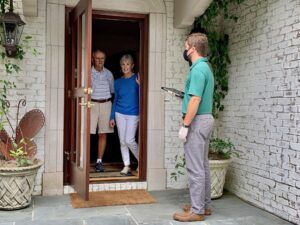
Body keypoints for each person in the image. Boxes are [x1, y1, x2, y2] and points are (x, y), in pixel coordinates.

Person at [173, 33, 215, 222]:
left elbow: (196, 99)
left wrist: (185, 125)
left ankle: (196, 212)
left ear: (193, 49)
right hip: (205, 119)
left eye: (186, 45)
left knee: (195, 168)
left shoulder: (198, 69)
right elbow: (195, 96)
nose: (184, 49)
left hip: (197, 121)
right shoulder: (205, 67)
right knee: (203, 166)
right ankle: (203, 206)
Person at [109, 54, 139, 176]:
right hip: (119, 113)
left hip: (133, 113)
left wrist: (140, 85)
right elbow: (115, 100)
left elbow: (142, 97)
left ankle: (141, 161)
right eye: (123, 64)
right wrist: (112, 116)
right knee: (122, 141)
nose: (125, 66)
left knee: (129, 140)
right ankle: (126, 165)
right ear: (120, 66)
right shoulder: (117, 82)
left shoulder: (137, 78)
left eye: (127, 64)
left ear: (132, 65)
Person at [90, 49, 114, 172]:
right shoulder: (88, 72)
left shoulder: (109, 74)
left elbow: (112, 90)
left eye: (102, 58)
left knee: (103, 133)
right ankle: (84, 160)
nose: (100, 61)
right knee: (87, 133)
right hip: (91, 104)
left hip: (106, 103)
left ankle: (99, 161)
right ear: (93, 58)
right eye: (97, 58)